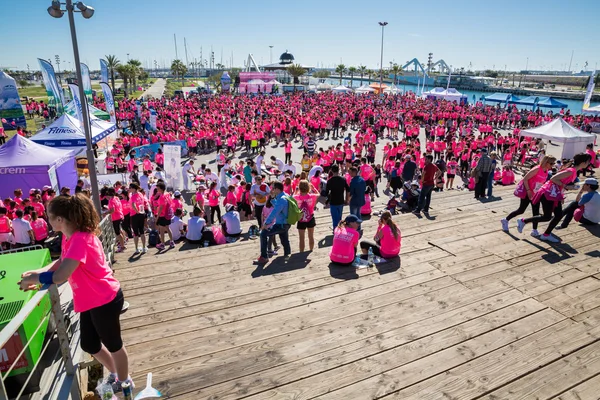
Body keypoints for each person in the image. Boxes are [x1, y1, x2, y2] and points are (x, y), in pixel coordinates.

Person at [17, 194, 132, 393]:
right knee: (89, 344)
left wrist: (35, 279)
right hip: (91, 299)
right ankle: (115, 374)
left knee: (114, 345)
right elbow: (61, 263)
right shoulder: (69, 237)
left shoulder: (80, 240)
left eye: (49, 216)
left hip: (104, 298)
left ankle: (124, 382)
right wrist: (38, 274)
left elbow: (61, 275)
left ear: (60, 220)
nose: (47, 220)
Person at [517, 153, 592, 242]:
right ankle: (524, 221)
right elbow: (553, 179)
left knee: (557, 215)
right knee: (548, 216)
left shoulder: (574, 171)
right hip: (548, 193)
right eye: (588, 162)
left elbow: (560, 182)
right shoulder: (571, 171)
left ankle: (545, 234)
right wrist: (566, 186)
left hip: (553, 194)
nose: (589, 163)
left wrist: (562, 194)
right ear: (583, 162)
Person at [501, 156, 555, 235]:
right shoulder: (537, 169)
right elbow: (525, 178)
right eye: (551, 163)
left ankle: (534, 230)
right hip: (528, 192)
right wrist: (528, 191)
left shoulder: (546, 171)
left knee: (536, 211)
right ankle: (505, 220)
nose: (552, 165)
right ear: (546, 162)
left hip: (536, 193)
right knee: (521, 210)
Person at [256, 181, 291, 264]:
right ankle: (287, 254)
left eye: (273, 188)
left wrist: (266, 224)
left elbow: (275, 212)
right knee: (284, 238)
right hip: (285, 223)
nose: (272, 190)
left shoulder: (282, 199)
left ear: (277, 189)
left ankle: (264, 257)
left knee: (263, 234)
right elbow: (280, 208)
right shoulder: (285, 196)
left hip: (281, 224)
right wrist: (272, 199)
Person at [294, 180, 319, 252]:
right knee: (311, 236)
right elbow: (318, 194)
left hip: (301, 218)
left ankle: (301, 252)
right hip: (310, 217)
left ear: (299, 187)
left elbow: (292, 196)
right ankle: (311, 250)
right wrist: (313, 188)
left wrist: (296, 191)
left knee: (301, 238)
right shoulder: (312, 196)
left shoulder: (296, 197)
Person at [325, 165, 349, 229]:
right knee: (339, 217)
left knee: (334, 218)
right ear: (338, 170)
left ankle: (336, 230)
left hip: (333, 201)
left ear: (331, 171)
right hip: (341, 200)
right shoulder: (343, 179)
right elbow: (348, 189)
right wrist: (347, 199)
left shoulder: (330, 181)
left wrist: (327, 201)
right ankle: (340, 228)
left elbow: (326, 193)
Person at [128, 183, 147, 254]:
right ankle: (144, 247)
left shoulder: (133, 196)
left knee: (136, 233)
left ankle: (136, 248)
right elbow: (143, 203)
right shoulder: (140, 194)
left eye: (130, 188)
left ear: (133, 188)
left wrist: (137, 211)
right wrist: (140, 212)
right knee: (142, 231)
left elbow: (133, 205)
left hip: (134, 215)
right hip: (141, 214)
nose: (129, 189)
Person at [155, 182, 174, 250]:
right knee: (168, 228)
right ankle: (172, 241)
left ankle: (162, 244)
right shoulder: (167, 194)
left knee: (162, 230)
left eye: (158, 188)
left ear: (161, 189)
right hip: (167, 214)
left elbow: (160, 208)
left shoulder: (162, 197)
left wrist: (157, 217)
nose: (157, 189)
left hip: (162, 215)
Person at [106, 188, 125, 253]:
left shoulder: (111, 201)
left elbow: (112, 210)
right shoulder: (116, 198)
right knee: (120, 231)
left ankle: (122, 246)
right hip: (120, 215)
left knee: (118, 233)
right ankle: (122, 243)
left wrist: (106, 212)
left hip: (116, 218)